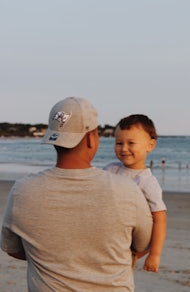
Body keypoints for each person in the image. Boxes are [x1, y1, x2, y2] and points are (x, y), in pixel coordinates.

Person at [1, 97, 153, 291]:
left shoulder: (22, 191)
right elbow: (143, 244)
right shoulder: (126, 189)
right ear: (91, 138)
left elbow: (13, 249)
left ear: (53, 137)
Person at [104, 114, 167, 273]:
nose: (124, 148)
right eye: (119, 143)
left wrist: (154, 254)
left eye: (131, 143)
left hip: (129, 246)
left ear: (150, 145)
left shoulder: (147, 182)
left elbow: (160, 219)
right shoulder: (111, 169)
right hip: (105, 240)